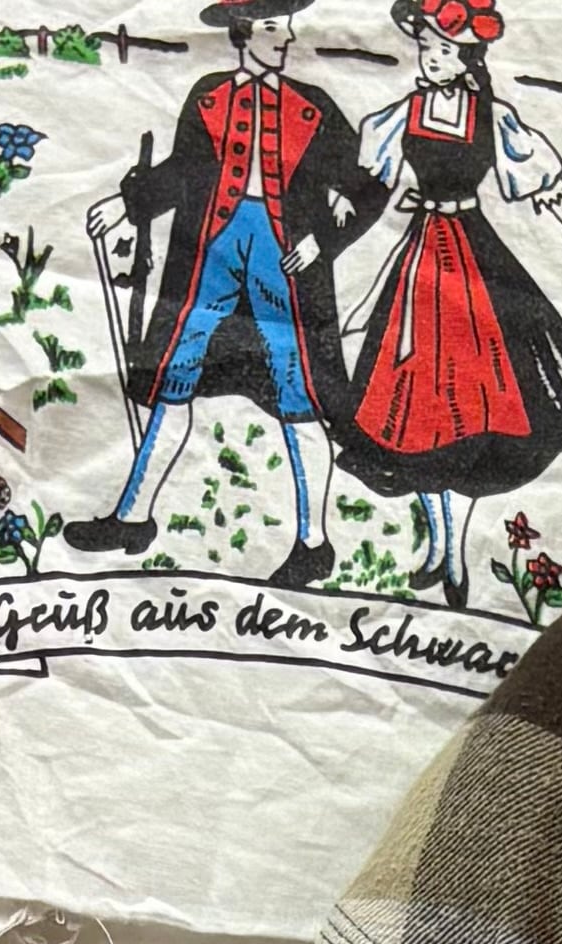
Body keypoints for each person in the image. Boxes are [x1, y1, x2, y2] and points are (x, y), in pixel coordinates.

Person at [69, 0, 388, 591]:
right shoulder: (209, 96)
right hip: (209, 253)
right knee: (172, 377)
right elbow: (183, 171)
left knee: (300, 390)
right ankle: (132, 518)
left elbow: (369, 188)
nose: (286, 37)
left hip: (284, 259)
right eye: (271, 27)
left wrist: (322, 242)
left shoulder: (314, 107)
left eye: (286, 26)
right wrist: (128, 203)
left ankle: (313, 545)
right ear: (242, 34)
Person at [336, 0, 562, 607]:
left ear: (467, 58)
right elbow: (369, 177)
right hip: (419, 265)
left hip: (474, 261)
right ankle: (437, 544)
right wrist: (342, 202)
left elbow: (542, 184)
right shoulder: (403, 114)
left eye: (441, 50)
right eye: (425, 48)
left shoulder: (493, 118)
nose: (429, 59)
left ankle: (455, 551)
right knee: (413, 410)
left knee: (471, 404)